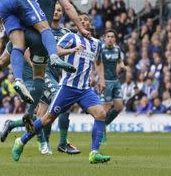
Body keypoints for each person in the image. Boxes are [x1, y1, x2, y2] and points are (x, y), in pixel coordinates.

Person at [11, 13, 110, 164]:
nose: (83, 22)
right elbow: (55, 51)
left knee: (101, 114)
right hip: (68, 87)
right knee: (47, 119)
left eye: (86, 20)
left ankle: (94, 152)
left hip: (84, 90)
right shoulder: (71, 37)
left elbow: (98, 61)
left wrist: (101, 78)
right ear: (76, 23)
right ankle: (21, 141)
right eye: (80, 20)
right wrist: (71, 50)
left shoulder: (96, 43)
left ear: (90, 24)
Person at [0, 4, 82, 155]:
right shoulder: (42, 29)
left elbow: (61, 52)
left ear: (62, 14)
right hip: (44, 73)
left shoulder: (66, 33)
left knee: (44, 115)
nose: (57, 12)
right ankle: (62, 143)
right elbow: (27, 50)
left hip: (55, 75)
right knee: (62, 101)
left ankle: (14, 125)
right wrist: (35, 67)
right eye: (55, 9)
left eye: (60, 10)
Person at [99, 29, 127, 144]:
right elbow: (95, 64)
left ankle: (104, 124)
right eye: (108, 36)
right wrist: (96, 78)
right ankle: (101, 133)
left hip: (115, 81)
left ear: (115, 39)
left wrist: (122, 66)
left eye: (112, 37)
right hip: (106, 81)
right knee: (105, 109)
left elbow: (120, 61)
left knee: (119, 107)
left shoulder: (117, 49)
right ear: (105, 38)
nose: (110, 38)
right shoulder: (101, 50)